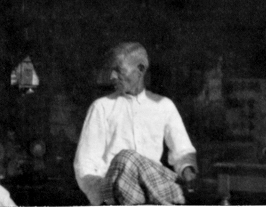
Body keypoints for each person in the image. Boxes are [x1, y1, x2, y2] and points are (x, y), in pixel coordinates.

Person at [74, 42, 197, 205]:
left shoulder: (163, 106)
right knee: (127, 158)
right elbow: (86, 165)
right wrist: (103, 199)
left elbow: (182, 151)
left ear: (141, 69)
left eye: (119, 70)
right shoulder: (101, 107)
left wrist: (187, 171)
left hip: (153, 190)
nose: (112, 77)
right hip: (114, 194)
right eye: (112, 71)